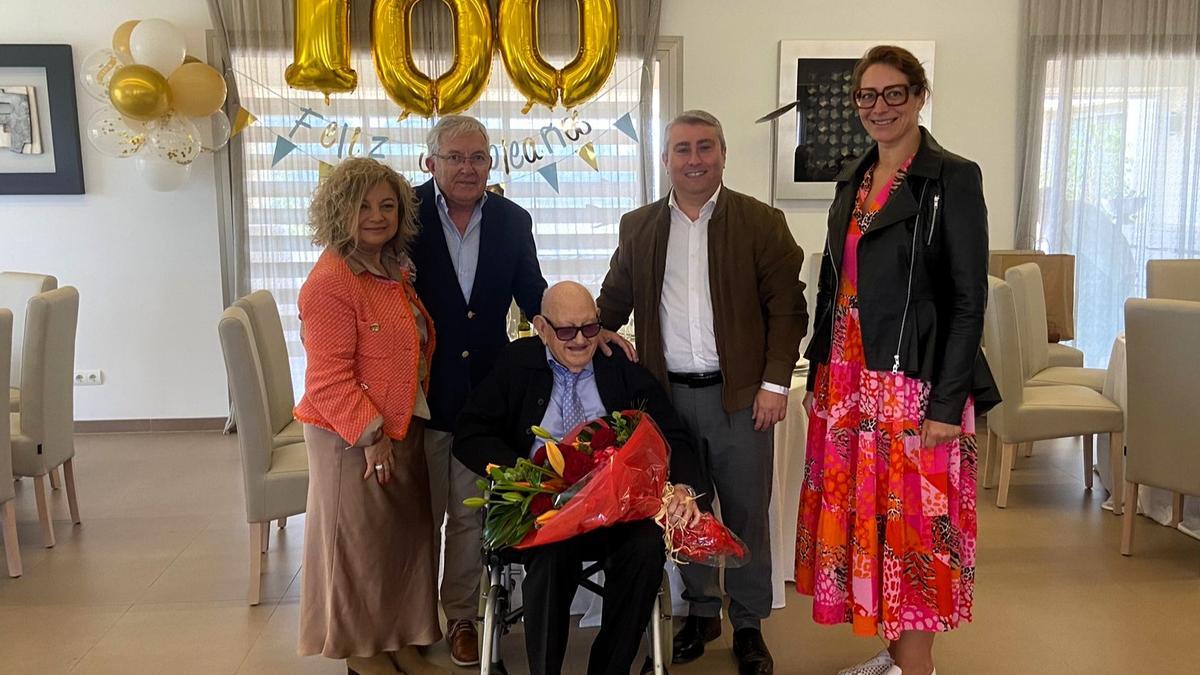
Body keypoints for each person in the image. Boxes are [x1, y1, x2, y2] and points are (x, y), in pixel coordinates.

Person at [795, 45, 1001, 675]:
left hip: (914, 384)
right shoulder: (853, 177)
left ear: (919, 95)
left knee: (913, 532)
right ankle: (893, 656)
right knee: (872, 528)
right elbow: (835, 284)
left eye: (893, 94)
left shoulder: (952, 178)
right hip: (852, 382)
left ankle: (918, 669)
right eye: (867, 96)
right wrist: (820, 365)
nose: (878, 108)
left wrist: (946, 403)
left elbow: (969, 301)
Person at [596, 110, 807, 675]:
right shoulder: (638, 226)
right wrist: (576, 332)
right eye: (682, 149)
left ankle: (748, 623)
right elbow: (613, 301)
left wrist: (772, 383)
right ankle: (702, 609)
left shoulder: (761, 223)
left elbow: (788, 310)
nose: (694, 159)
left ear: (722, 154)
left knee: (744, 514)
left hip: (740, 399)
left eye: (705, 147)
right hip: (666, 403)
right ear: (665, 160)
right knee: (682, 511)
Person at [454, 281, 704, 675]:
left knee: (645, 548)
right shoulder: (516, 364)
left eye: (590, 328)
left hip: (615, 509)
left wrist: (686, 488)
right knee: (552, 556)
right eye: (566, 330)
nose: (580, 340)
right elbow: (470, 434)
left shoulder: (618, 365)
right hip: (545, 509)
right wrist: (523, 475)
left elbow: (672, 433)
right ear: (540, 327)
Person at [293, 158, 447, 675]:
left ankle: (398, 640)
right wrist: (372, 436)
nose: (377, 215)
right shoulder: (332, 280)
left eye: (387, 205)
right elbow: (328, 380)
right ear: (340, 210)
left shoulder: (389, 266)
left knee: (398, 543)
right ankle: (362, 652)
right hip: (352, 434)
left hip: (400, 421)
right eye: (363, 205)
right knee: (358, 547)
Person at [410, 115, 548, 666]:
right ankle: (413, 615)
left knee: (469, 515)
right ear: (431, 163)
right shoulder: (403, 214)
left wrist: (572, 330)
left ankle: (461, 614)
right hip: (417, 395)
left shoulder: (513, 220)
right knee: (419, 517)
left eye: (478, 157)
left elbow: (532, 293)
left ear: (491, 163)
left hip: (483, 398)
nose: (468, 168)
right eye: (455, 157)